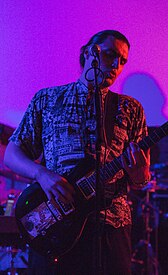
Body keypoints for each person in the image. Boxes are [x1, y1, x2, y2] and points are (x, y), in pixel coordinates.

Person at [4, 30, 151, 275]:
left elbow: (140, 180)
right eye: (110, 55)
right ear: (87, 53)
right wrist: (42, 174)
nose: (116, 65)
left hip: (110, 226)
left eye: (123, 61)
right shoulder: (48, 99)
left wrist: (140, 172)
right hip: (56, 223)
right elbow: (12, 153)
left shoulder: (131, 109)